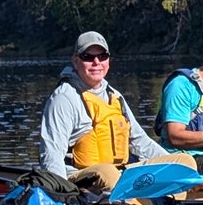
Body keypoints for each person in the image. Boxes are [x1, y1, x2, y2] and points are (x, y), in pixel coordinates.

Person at [40, 31, 195, 192]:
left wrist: (169, 165)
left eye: (102, 56)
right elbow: (52, 154)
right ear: (76, 61)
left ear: (108, 60)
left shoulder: (115, 96)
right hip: (77, 179)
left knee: (184, 163)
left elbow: (140, 142)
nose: (96, 62)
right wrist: (61, 195)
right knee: (108, 172)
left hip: (120, 174)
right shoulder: (64, 98)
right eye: (88, 57)